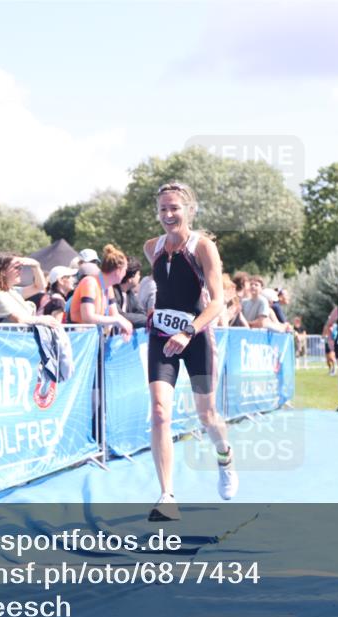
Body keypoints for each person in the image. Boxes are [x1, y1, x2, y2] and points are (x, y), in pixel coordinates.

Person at [144, 182, 237, 520]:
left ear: (189, 209)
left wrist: (188, 330)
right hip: (161, 338)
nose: (168, 215)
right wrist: (155, 310)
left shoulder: (203, 247)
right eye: (163, 209)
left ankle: (225, 456)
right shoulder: (151, 247)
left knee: (207, 415)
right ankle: (167, 495)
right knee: (158, 412)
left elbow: (217, 302)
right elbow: (163, 290)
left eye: (175, 208)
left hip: (195, 338)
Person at [66, 244, 135, 340]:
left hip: (91, 338)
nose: (125, 273)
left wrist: (127, 324)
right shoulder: (90, 282)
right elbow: (88, 317)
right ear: (118, 270)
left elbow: (114, 314)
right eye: (125, 270)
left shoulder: (108, 287)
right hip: (78, 340)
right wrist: (117, 321)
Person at [0, 253, 58, 326]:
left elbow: (40, 286)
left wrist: (36, 266)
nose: (21, 271)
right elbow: (19, 319)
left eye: (21, 267)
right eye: (17, 267)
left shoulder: (10, 291)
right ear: (3, 271)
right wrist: (44, 319)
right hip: (8, 338)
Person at [112, 257, 148, 329]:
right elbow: (119, 315)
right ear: (130, 278)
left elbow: (141, 313)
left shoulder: (129, 293)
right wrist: (148, 321)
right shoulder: (112, 292)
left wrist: (146, 319)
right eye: (138, 274)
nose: (139, 277)